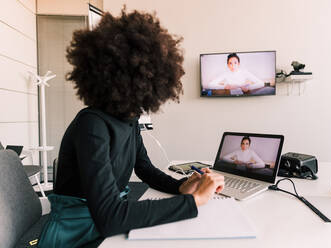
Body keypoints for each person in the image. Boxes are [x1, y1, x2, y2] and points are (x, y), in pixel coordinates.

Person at [38, 6, 224, 248]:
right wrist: (195, 201)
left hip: (104, 221)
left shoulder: (129, 118)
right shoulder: (92, 124)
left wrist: (181, 186)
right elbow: (110, 218)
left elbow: (145, 169)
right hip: (77, 233)